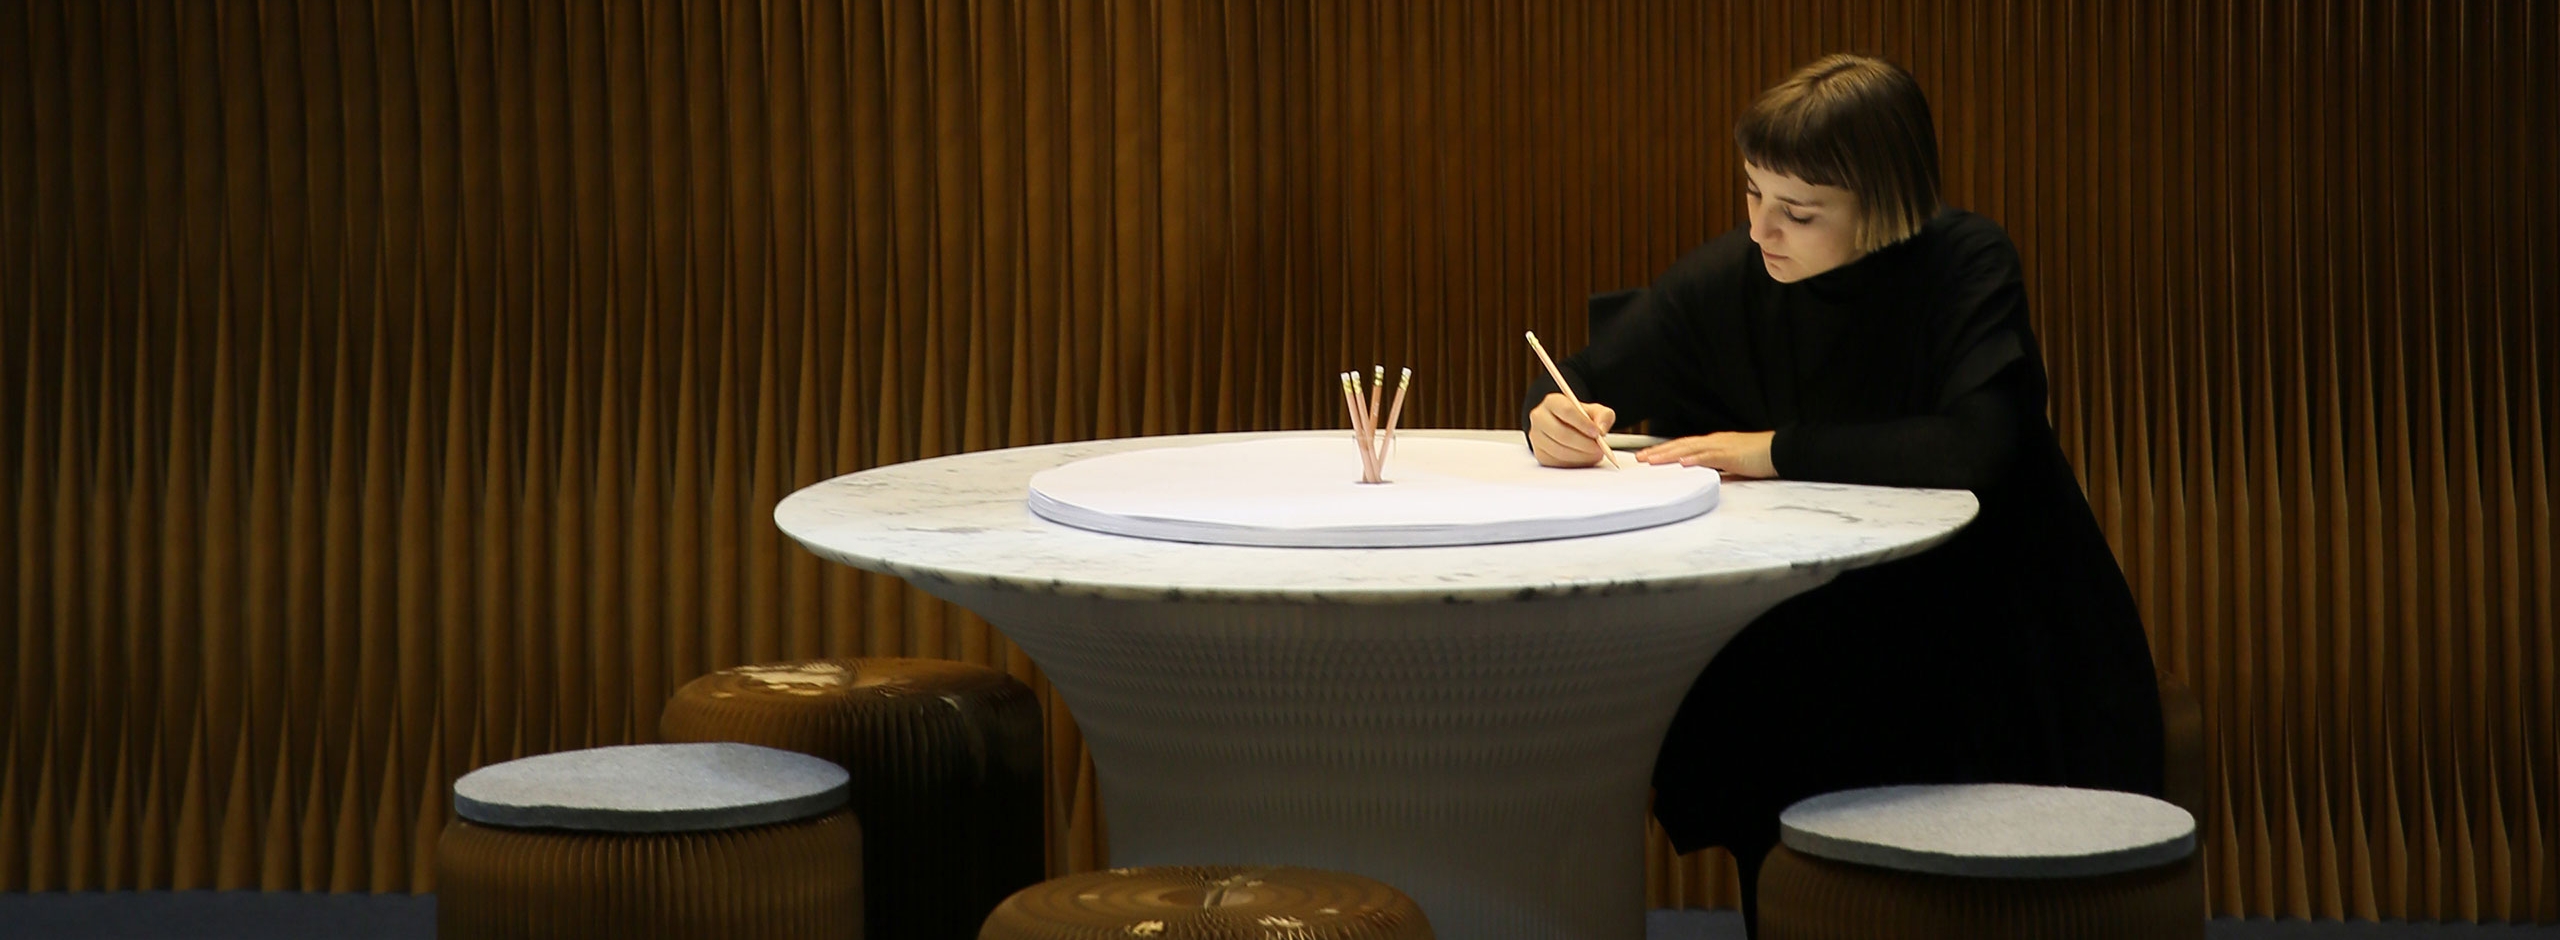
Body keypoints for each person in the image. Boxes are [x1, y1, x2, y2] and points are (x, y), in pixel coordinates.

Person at [1522, 54, 2166, 935]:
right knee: (1773, 717)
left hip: (1988, 622)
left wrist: (1773, 451)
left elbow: (1977, 445)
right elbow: (1584, 379)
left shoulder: (1963, 262)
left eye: (1799, 212)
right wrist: (1550, 421)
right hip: (1814, 633)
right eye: (1752, 194)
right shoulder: (1734, 278)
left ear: (1885, 204)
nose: (1761, 230)